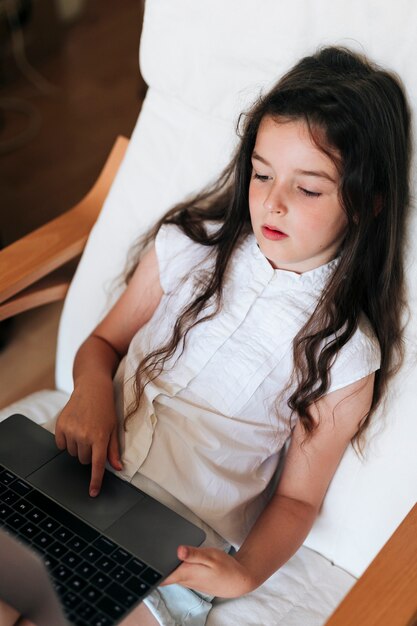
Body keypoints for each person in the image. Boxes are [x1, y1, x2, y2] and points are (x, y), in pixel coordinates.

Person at [54, 46, 411, 626]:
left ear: (368, 203)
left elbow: (297, 500)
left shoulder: (344, 355)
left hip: (170, 551)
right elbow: (102, 346)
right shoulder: (189, 247)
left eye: (309, 189)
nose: (272, 200)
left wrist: (245, 573)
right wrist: (90, 392)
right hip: (71, 474)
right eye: (263, 173)